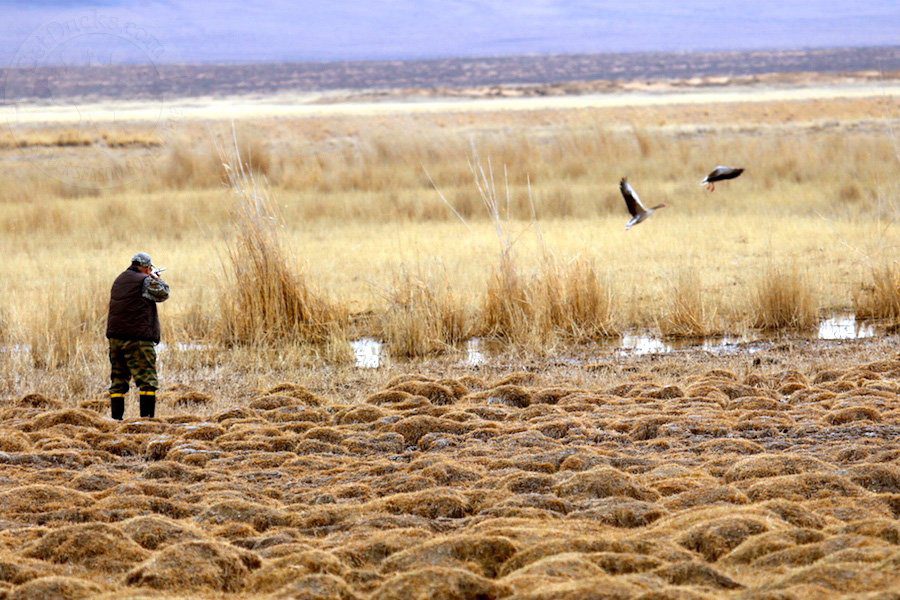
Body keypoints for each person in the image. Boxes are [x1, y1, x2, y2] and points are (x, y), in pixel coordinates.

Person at [105, 252, 170, 420]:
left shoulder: (119, 279)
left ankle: (116, 421)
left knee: (118, 381)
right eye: (149, 268)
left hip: (115, 339)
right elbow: (163, 293)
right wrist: (156, 278)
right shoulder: (145, 280)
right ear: (145, 267)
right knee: (148, 380)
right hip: (138, 339)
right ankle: (146, 423)